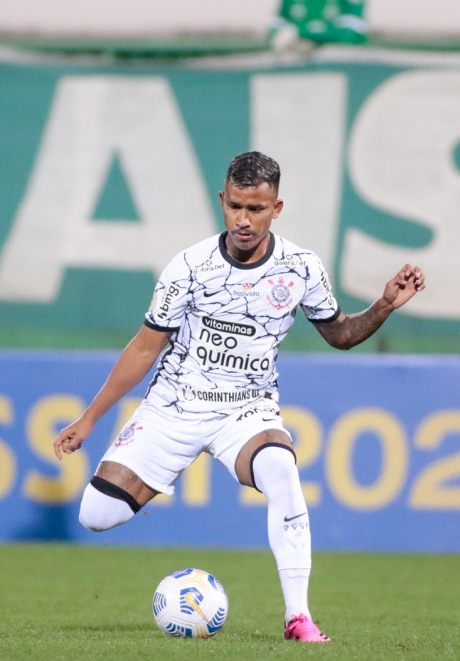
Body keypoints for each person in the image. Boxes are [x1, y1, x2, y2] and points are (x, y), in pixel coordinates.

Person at [53, 151, 425, 643]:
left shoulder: (301, 268)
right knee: (96, 516)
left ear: (277, 207)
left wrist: (382, 306)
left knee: (283, 473)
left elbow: (339, 333)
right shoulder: (190, 266)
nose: (244, 220)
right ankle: (165, 469)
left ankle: (298, 618)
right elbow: (145, 347)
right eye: (235, 207)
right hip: (175, 406)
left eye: (257, 209)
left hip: (245, 412)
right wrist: (90, 418)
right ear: (222, 201)